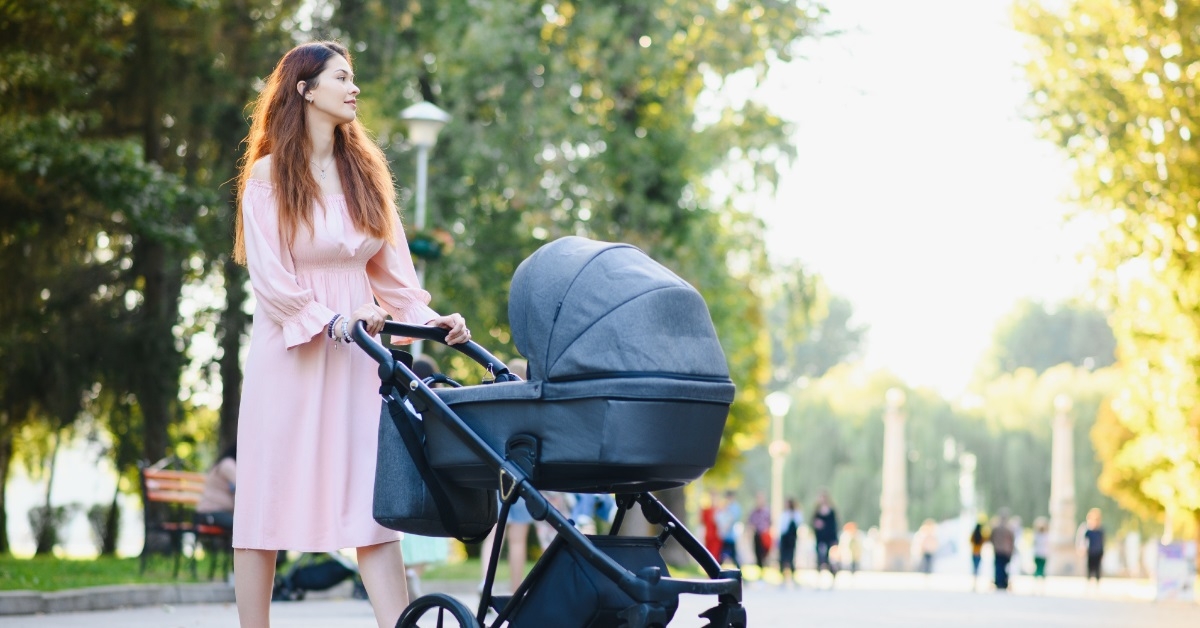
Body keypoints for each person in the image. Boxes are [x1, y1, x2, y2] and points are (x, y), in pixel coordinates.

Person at [230, 41, 471, 628]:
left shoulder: (365, 174)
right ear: (305, 90)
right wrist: (329, 320)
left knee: (371, 501)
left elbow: (395, 275)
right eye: (341, 78)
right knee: (267, 496)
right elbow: (271, 279)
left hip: (358, 353)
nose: (353, 88)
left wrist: (431, 320)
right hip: (292, 346)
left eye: (353, 77)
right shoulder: (266, 176)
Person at [398, 355, 452, 599]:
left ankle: (406, 575)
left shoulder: (400, 403)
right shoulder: (437, 405)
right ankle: (411, 576)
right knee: (426, 533)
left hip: (403, 478)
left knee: (403, 537)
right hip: (429, 477)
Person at [195, 445, 237, 531]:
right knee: (240, 527)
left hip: (219, 512)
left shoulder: (225, 463)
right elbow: (242, 485)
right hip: (210, 512)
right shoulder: (227, 464)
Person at [811, 491, 839, 588]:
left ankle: (833, 573)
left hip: (829, 539)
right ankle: (819, 578)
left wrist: (834, 540)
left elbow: (834, 526)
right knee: (820, 558)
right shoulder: (817, 511)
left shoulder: (831, 511)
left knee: (829, 559)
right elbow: (812, 522)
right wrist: (816, 524)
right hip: (820, 539)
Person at [777, 498, 802, 587]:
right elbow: (782, 527)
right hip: (784, 538)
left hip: (791, 538)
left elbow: (798, 523)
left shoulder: (796, 514)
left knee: (790, 557)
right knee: (783, 558)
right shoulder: (784, 514)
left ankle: (792, 576)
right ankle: (783, 577)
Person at [715, 490, 743, 569]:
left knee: (731, 555)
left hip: (730, 535)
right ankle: (717, 569)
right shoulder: (727, 506)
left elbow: (732, 519)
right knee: (722, 555)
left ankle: (738, 569)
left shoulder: (735, 507)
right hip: (725, 535)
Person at [989, 509, 1015, 592]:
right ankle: (1003, 582)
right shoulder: (1009, 528)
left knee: (998, 566)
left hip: (998, 549)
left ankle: (999, 582)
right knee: (1004, 567)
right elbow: (1012, 540)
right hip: (1006, 550)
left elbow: (991, 538)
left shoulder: (996, 527)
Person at [1079, 507, 1105, 588]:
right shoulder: (1088, 531)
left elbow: (1102, 542)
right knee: (1090, 568)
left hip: (1098, 552)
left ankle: (1097, 584)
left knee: (1097, 569)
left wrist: (1102, 553)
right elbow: (1083, 540)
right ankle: (1089, 583)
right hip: (1090, 552)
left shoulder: (1100, 531)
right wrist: (1082, 549)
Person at [748, 492, 772, 577]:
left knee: (763, 555)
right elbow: (750, 523)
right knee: (757, 554)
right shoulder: (754, 512)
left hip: (764, 535)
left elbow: (770, 523)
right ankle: (760, 572)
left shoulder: (766, 511)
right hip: (757, 535)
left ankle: (763, 572)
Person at [699, 491, 723, 564]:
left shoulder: (720, 510)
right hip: (709, 535)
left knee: (715, 555)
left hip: (716, 536)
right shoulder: (706, 510)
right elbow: (702, 521)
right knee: (709, 554)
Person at [1032, 516, 1049, 592]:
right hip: (1043, 554)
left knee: (1037, 570)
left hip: (1038, 554)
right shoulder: (1046, 535)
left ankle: (1036, 586)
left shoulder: (1036, 535)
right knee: (1042, 570)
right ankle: (1041, 587)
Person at [969, 516, 987, 590]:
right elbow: (985, 540)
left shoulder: (973, 535)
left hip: (973, 553)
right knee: (977, 567)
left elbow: (970, 541)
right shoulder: (981, 536)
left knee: (974, 567)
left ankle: (974, 581)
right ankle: (976, 580)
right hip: (979, 553)